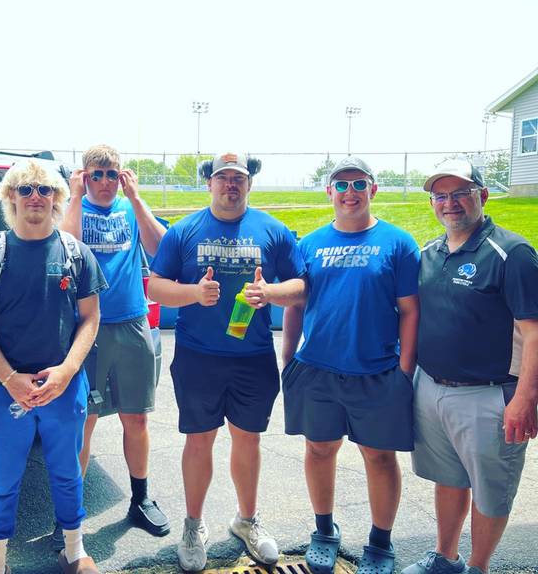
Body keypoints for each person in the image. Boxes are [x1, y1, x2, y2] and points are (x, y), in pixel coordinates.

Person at [148, 152, 306, 572]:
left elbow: (302, 285)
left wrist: (270, 293)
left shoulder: (272, 230)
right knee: (199, 440)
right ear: (210, 184)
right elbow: (158, 287)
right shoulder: (183, 231)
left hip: (252, 358)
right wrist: (194, 294)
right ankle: (193, 524)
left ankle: (246, 520)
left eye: (238, 178)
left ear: (249, 184)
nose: (230, 185)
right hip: (198, 357)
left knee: (247, 439)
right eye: (223, 178)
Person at [0, 159, 107, 574]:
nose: (35, 197)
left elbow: (90, 319)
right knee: (3, 478)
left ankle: (73, 550)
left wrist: (66, 371)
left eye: (45, 190)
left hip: (63, 386)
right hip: (4, 388)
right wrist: (10, 379)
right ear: (10, 197)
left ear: (59, 198)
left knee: (67, 473)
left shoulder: (76, 254)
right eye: (25, 189)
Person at [281, 156, 420, 574]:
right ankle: (324, 532)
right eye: (340, 185)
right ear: (329, 193)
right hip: (318, 369)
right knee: (319, 449)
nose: (350, 192)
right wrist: (288, 357)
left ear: (373, 190)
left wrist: (405, 370)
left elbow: (410, 311)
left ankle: (380, 542)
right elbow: (296, 303)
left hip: (377, 372)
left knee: (379, 457)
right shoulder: (309, 245)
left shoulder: (398, 243)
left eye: (359, 184)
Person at [402, 159, 538, 574]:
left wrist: (525, 399)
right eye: (441, 195)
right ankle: (446, 557)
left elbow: (534, 333)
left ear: (482, 195)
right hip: (433, 388)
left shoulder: (512, 253)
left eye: (460, 192)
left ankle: (478, 568)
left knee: (491, 492)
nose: (450, 203)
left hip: (491, 394)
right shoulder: (429, 253)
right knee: (449, 478)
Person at [60, 144, 170, 540]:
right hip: (86, 330)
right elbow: (67, 252)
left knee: (136, 417)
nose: (105, 183)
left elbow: (160, 248)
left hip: (132, 324)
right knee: (82, 422)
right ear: (84, 176)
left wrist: (137, 198)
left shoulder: (128, 209)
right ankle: (69, 513)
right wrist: (74, 196)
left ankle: (140, 499)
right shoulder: (73, 210)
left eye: (112, 175)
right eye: (96, 175)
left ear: (122, 177)